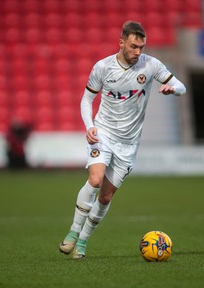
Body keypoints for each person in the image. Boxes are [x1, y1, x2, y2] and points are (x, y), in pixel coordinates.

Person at [59, 21, 186, 259]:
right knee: (95, 180)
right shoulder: (103, 67)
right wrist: (90, 126)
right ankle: (73, 233)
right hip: (103, 133)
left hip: (128, 143)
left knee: (106, 197)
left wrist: (173, 89)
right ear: (121, 43)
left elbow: (181, 85)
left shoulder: (151, 65)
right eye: (134, 46)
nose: (138, 52)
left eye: (142, 47)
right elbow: (86, 99)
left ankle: (83, 242)